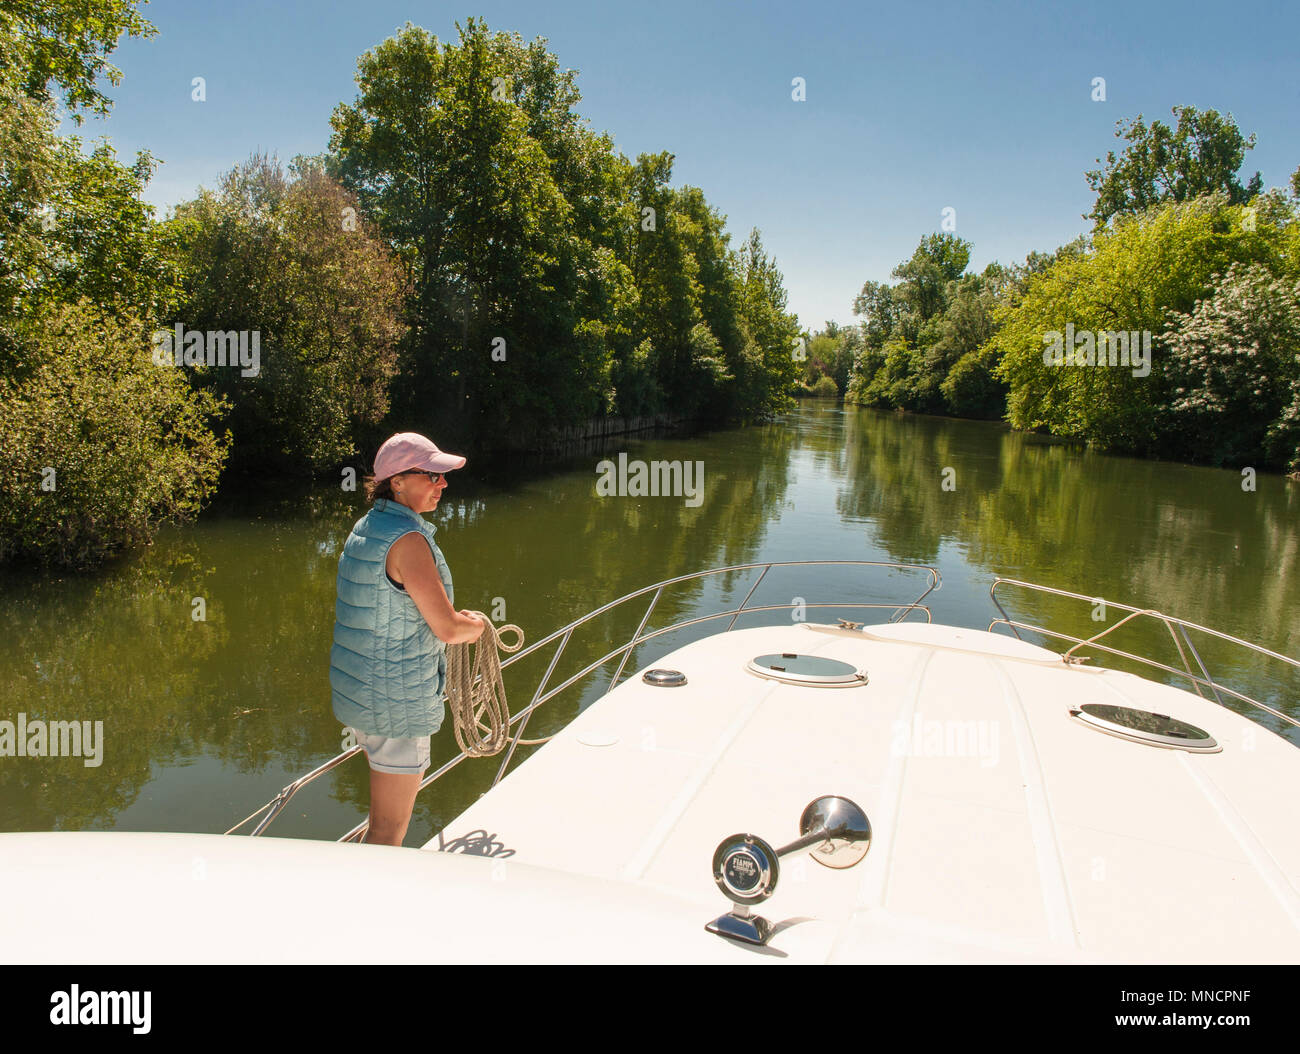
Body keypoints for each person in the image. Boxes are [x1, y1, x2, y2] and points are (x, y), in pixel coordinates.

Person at [329, 432, 485, 846]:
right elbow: (448, 629)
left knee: (380, 822)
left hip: (363, 694)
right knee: (389, 831)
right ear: (397, 481)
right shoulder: (408, 541)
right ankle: (369, 908)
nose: (443, 484)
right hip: (396, 704)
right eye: (432, 475)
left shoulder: (368, 527)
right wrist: (478, 628)